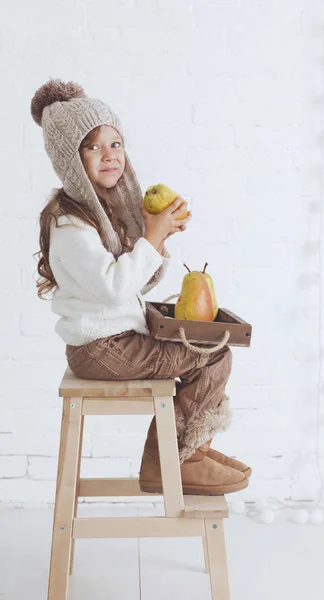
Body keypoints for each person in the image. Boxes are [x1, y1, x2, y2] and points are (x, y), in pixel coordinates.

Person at [31, 78, 251, 495]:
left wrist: (159, 237)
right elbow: (115, 289)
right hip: (102, 348)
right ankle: (175, 460)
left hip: (114, 340)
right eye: (92, 147)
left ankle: (193, 450)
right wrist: (151, 237)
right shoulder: (70, 223)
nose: (109, 155)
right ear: (69, 160)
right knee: (212, 353)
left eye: (115, 144)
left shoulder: (107, 210)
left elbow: (141, 279)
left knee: (211, 345)